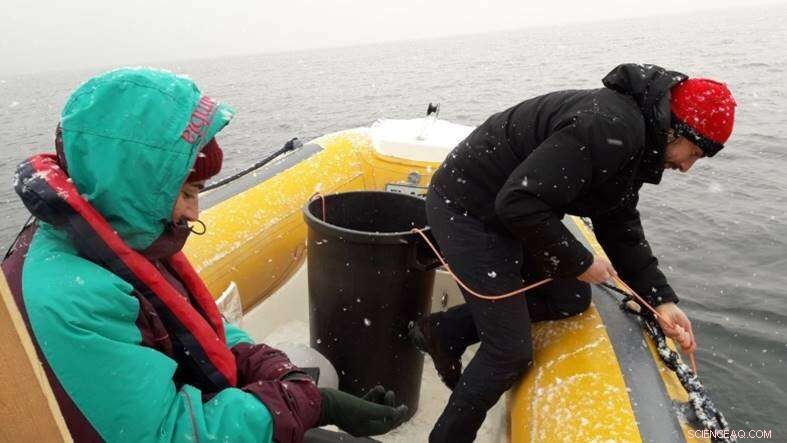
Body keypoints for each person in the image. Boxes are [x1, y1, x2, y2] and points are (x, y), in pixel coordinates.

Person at [4, 68, 407, 442]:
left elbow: (199, 326)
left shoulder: (112, 232)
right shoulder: (72, 297)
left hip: (187, 410)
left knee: (307, 368)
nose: (195, 213)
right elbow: (167, 434)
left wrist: (279, 373)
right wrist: (311, 405)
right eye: (185, 193)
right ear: (134, 187)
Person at [410, 63, 736, 442]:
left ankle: (445, 330)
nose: (686, 166)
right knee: (508, 353)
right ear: (674, 129)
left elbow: (619, 223)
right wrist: (579, 261)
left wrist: (661, 299)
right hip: (468, 209)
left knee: (568, 297)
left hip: (507, 208)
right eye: (692, 152)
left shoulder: (636, 137)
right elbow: (519, 203)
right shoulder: (608, 128)